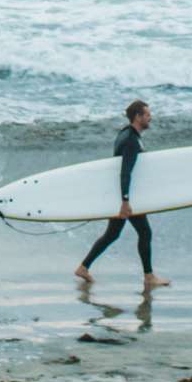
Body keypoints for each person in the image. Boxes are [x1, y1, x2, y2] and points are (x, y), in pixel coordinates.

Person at [73, 100, 170, 289]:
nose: (151, 118)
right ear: (138, 117)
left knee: (112, 234)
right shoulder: (131, 141)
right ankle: (149, 277)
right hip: (125, 198)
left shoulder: (125, 133)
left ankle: (83, 267)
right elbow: (125, 172)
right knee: (144, 232)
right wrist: (125, 201)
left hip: (120, 196)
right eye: (147, 115)